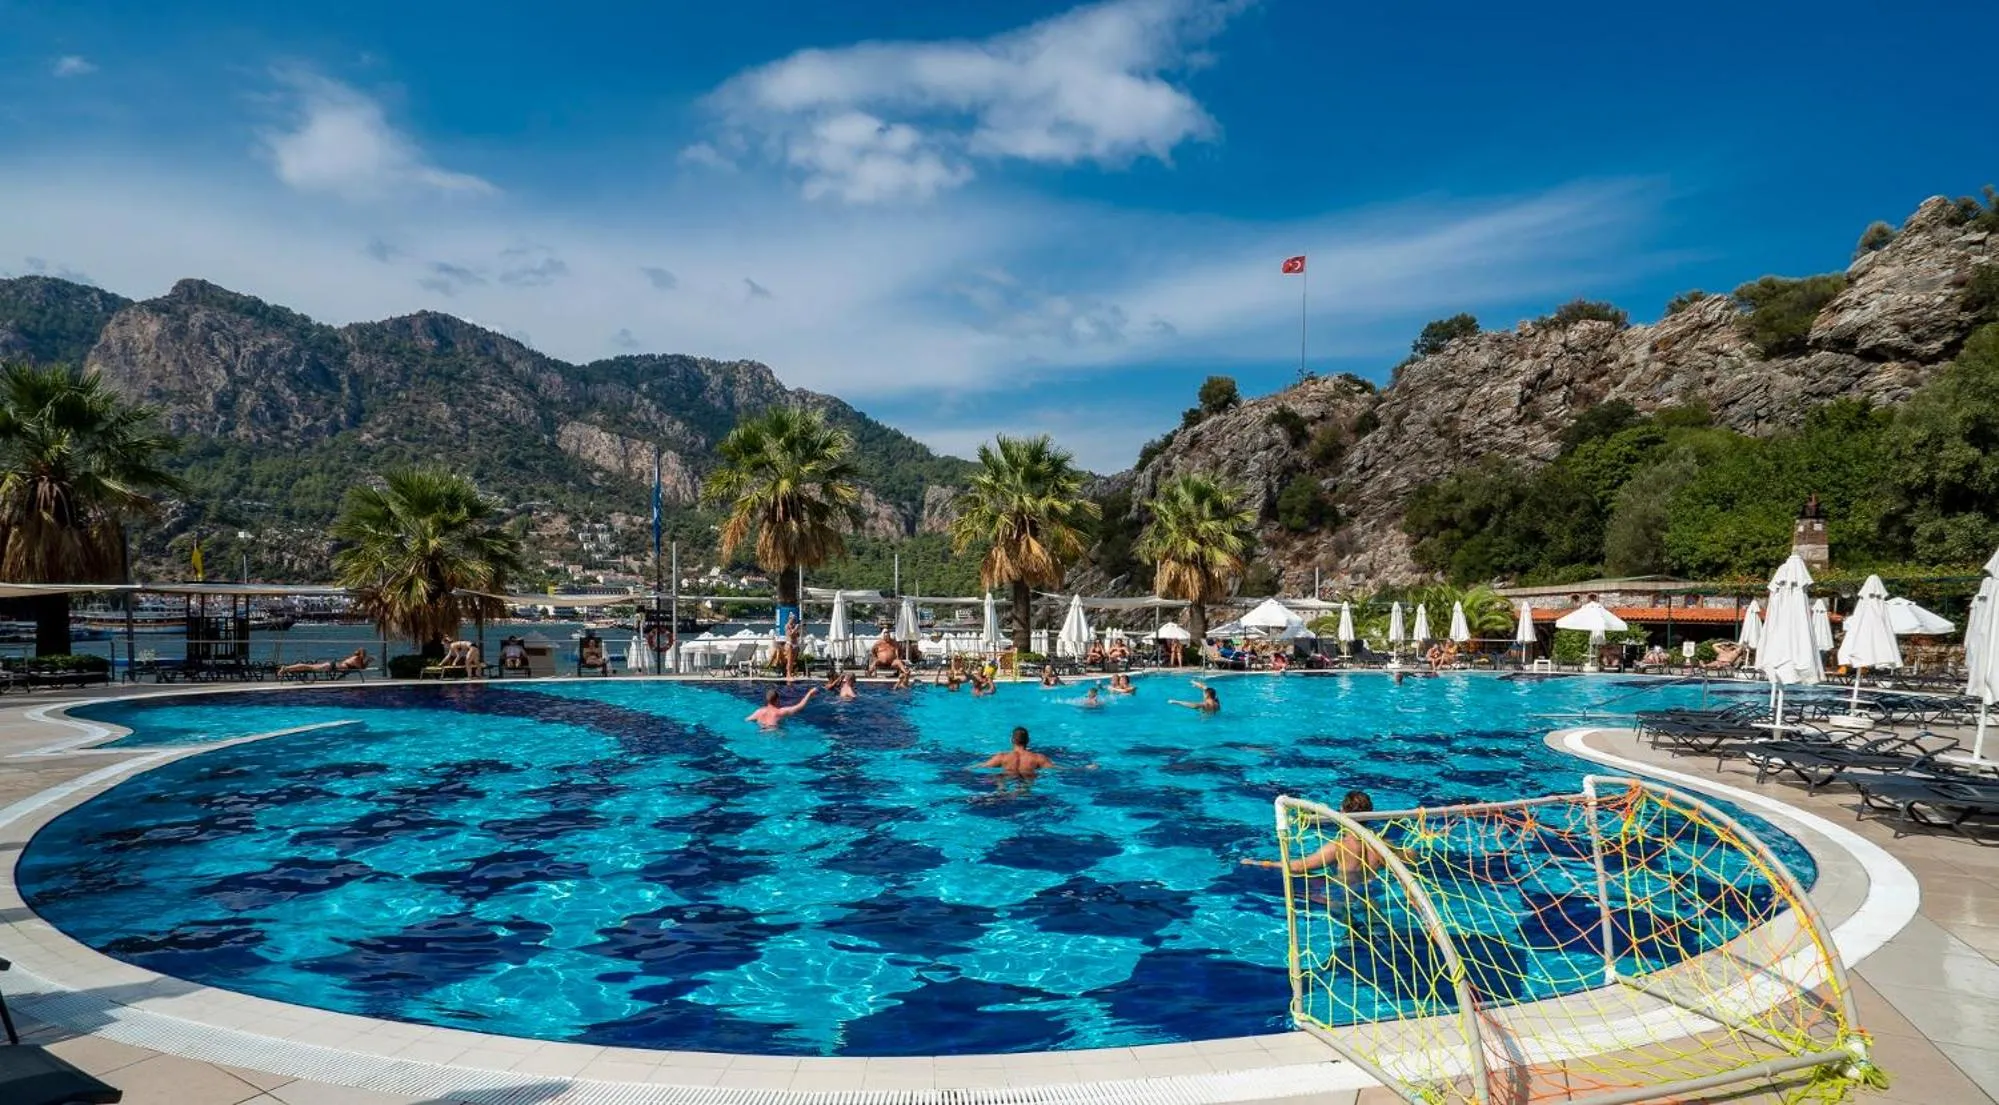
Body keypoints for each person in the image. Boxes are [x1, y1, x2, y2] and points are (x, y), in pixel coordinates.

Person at [1241, 791, 1394, 890]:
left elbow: (1299, 867)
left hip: (1344, 893)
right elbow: (1406, 857)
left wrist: (1262, 863)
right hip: (1372, 890)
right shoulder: (1382, 844)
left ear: (1342, 811)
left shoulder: (1339, 847)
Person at [747, 686, 818, 727]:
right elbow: (800, 706)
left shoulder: (759, 712)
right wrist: (810, 693)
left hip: (762, 733)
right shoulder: (780, 712)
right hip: (775, 735)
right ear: (777, 700)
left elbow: (747, 720)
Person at [281, 647, 370, 676]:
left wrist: (367, 661)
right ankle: (286, 668)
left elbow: (360, 667)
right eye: (364, 654)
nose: (365, 655)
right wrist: (368, 661)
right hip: (331, 666)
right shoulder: (356, 659)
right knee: (308, 667)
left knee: (308, 667)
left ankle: (287, 668)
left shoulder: (356, 658)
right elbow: (361, 668)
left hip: (332, 665)